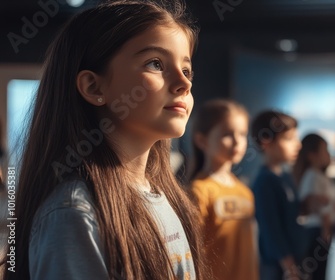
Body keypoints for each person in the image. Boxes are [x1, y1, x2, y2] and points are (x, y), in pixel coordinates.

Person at [0, 1, 208, 279]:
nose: (185, 83)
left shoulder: (166, 198)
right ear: (94, 86)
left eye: (186, 69)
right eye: (156, 63)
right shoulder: (75, 214)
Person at [188, 99, 258, 280]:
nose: (237, 141)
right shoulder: (199, 190)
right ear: (202, 140)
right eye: (227, 134)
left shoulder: (245, 192)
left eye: (242, 134)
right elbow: (192, 252)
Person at [250, 110, 308, 280]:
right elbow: (271, 230)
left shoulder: (285, 176)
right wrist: (289, 267)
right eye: (289, 139)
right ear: (266, 141)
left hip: (294, 259)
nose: (298, 145)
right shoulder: (264, 182)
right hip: (278, 267)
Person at [293, 133, 335, 280]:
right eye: (324, 150)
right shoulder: (313, 175)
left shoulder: (317, 175)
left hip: (317, 230)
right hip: (316, 230)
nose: (328, 155)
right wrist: (326, 229)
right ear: (312, 155)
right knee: (318, 273)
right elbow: (312, 203)